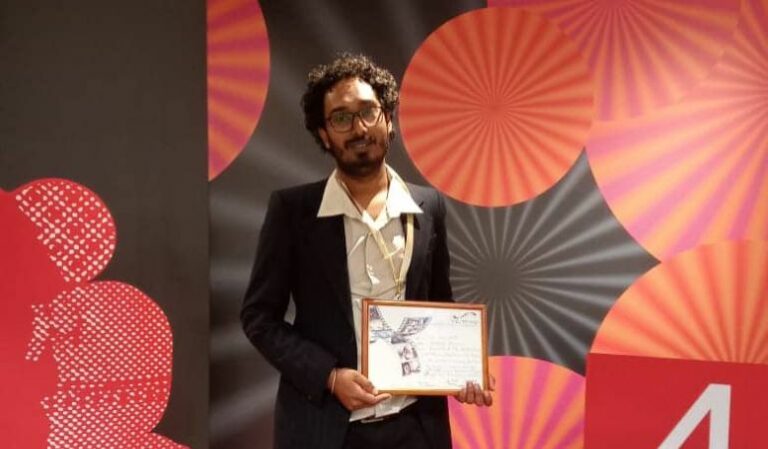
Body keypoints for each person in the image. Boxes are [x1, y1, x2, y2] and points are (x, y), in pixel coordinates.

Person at [241, 53, 492, 449]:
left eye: (368, 112)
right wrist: (328, 376)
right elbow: (259, 318)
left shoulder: (429, 206)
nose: (358, 128)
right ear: (324, 134)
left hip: (416, 428)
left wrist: (462, 367)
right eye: (340, 118)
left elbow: (439, 304)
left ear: (387, 119)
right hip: (325, 429)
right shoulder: (293, 211)